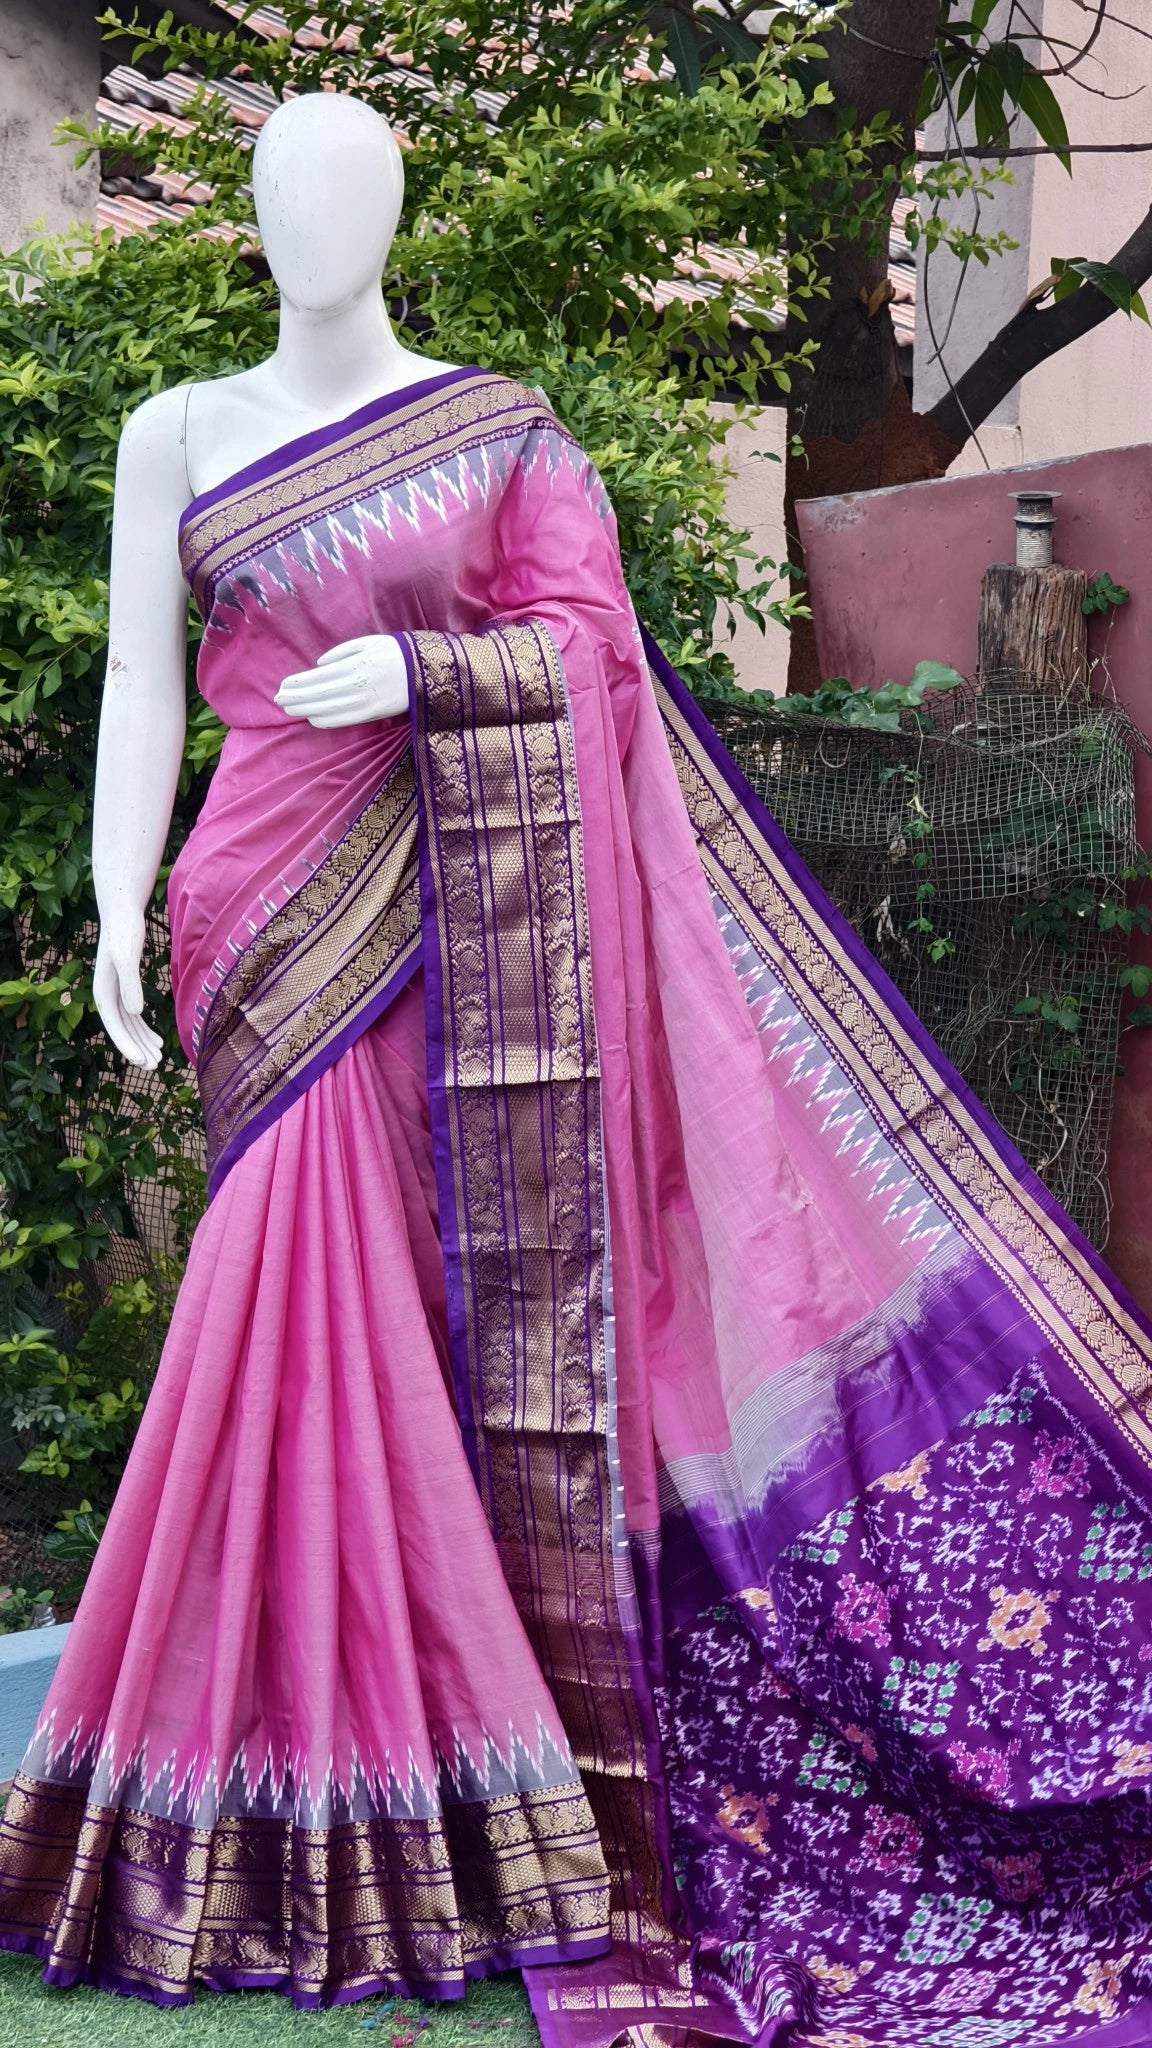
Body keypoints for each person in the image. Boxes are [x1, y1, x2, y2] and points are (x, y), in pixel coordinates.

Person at [3, 90, 1152, 2048]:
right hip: (253, 907)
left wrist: (427, 675)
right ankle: (285, 1792)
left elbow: (588, 647)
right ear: (251, 220)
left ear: (394, 216)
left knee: (404, 1318)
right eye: (284, 197)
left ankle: (451, 1799)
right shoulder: (174, 430)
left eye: (350, 194)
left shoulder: (500, 430)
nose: (313, 227)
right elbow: (136, 678)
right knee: (286, 1299)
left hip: (446, 917)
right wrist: (117, 903)